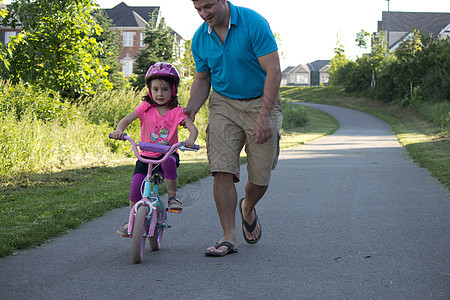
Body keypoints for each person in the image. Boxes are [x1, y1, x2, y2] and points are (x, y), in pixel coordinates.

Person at [185, 0, 282, 256]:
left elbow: (273, 70)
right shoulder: (200, 38)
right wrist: (190, 111)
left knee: (260, 176)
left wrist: (264, 115)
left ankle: (247, 206)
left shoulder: (253, 23)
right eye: (198, 9)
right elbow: (202, 79)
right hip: (223, 104)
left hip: (261, 100)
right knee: (221, 169)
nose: (204, 13)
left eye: (208, 6)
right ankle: (228, 236)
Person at [111, 62, 198, 236]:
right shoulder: (145, 108)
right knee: (136, 186)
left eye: (165, 89)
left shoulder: (177, 112)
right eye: (156, 89)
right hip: (145, 155)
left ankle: (172, 197)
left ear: (173, 90)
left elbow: (192, 129)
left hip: (167, 155)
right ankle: (132, 219)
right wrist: (120, 130)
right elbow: (126, 120)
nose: (160, 94)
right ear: (150, 90)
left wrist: (190, 140)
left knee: (169, 162)